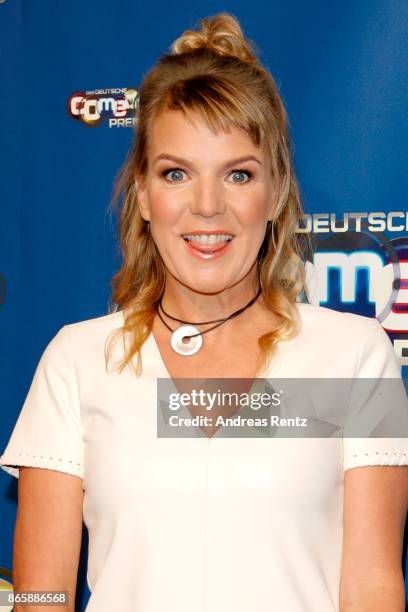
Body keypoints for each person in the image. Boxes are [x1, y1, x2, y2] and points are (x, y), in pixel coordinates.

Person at [1, 12, 408, 612]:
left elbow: (373, 589)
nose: (208, 207)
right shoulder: (78, 361)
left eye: (238, 174)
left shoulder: (353, 356)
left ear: (274, 193)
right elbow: (41, 596)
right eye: (176, 174)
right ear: (142, 192)